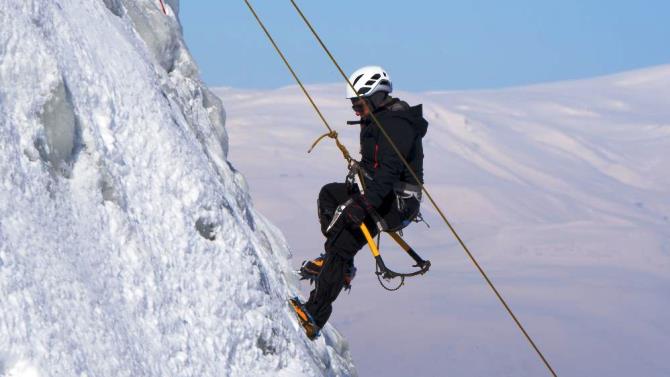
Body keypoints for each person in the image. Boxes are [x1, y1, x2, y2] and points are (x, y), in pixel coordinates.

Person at [292, 66, 428, 339]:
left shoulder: (396, 125)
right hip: (381, 193)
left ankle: (315, 314)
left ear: (377, 97)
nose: (355, 110)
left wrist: (364, 204)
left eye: (359, 103)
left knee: (342, 243)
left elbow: (389, 171)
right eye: (353, 104)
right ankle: (339, 266)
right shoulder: (377, 120)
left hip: (396, 202)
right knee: (330, 195)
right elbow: (377, 165)